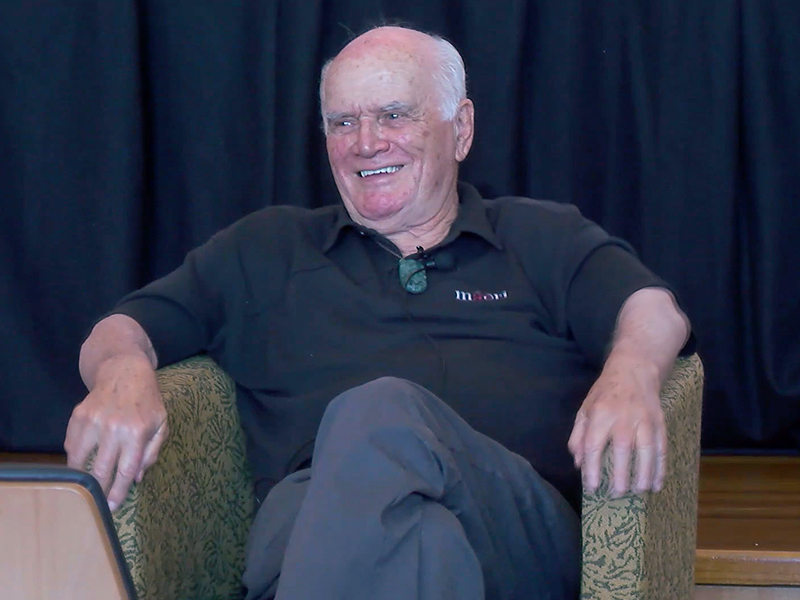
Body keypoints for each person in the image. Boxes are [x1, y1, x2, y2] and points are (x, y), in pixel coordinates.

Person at [65, 25, 692, 600]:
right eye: (342, 123)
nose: (366, 143)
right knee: (424, 541)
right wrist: (123, 368)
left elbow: (653, 309)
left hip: (511, 526)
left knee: (380, 412)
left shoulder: (540, 237)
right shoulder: (267, 249)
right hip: (310, 527)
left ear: (462, 128)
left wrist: (631, 372)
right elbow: (124, 326)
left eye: (394, 114)